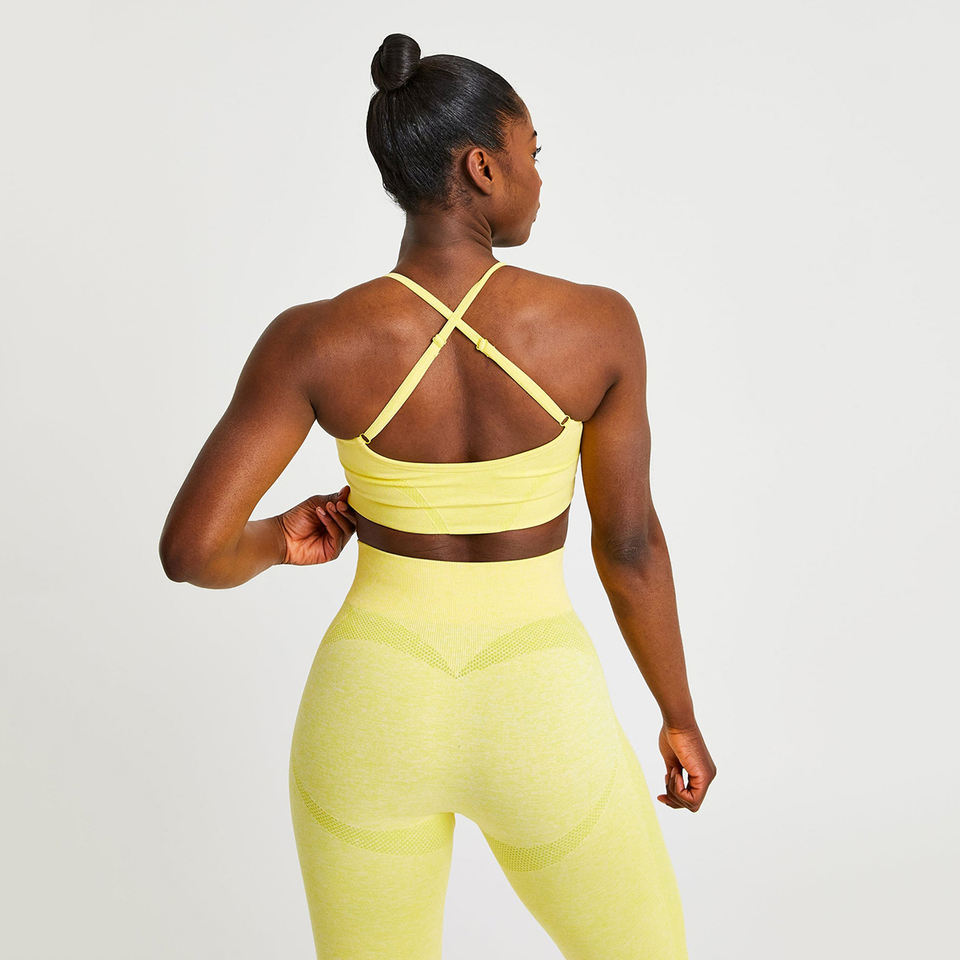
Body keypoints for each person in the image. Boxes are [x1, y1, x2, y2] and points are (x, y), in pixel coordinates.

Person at [159, 32, 716, 960]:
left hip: (370, 708)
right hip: (542, 710)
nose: (540, 174)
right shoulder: (597, 326)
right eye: (533, 151)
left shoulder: (312, 340)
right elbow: (630, 548)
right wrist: (679, 715)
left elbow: (193, 553)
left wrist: (280, 539)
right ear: (483, 167)